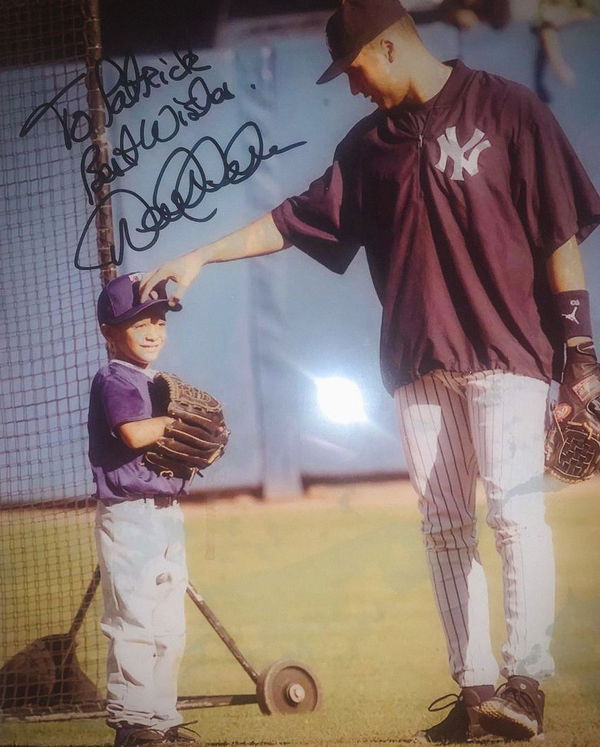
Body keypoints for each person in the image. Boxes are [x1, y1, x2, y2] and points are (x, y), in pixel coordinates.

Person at [140, 0, 600, 742]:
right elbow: (290, 221)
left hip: (507, 354)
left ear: (388, 48)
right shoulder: (369, 148)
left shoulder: (508, 111)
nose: (351, 87)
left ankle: (527, 682)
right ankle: (478, 694)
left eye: (353, 69)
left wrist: (581, 357)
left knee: (515, 518)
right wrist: (199, 255)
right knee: (446, 528)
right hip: (417, 365)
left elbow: (559, 236)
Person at [88, 273, 198, 747]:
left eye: (159, 320)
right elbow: (132, 434)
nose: (154, 330)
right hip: (129, 516)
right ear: (110, 332)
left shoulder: (155, 380)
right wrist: (178, 421)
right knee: (134, 620)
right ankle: (132, 721)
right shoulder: (114, 377)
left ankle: (161, 717)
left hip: (166, 513)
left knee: (169, 624)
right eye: (139, 323)